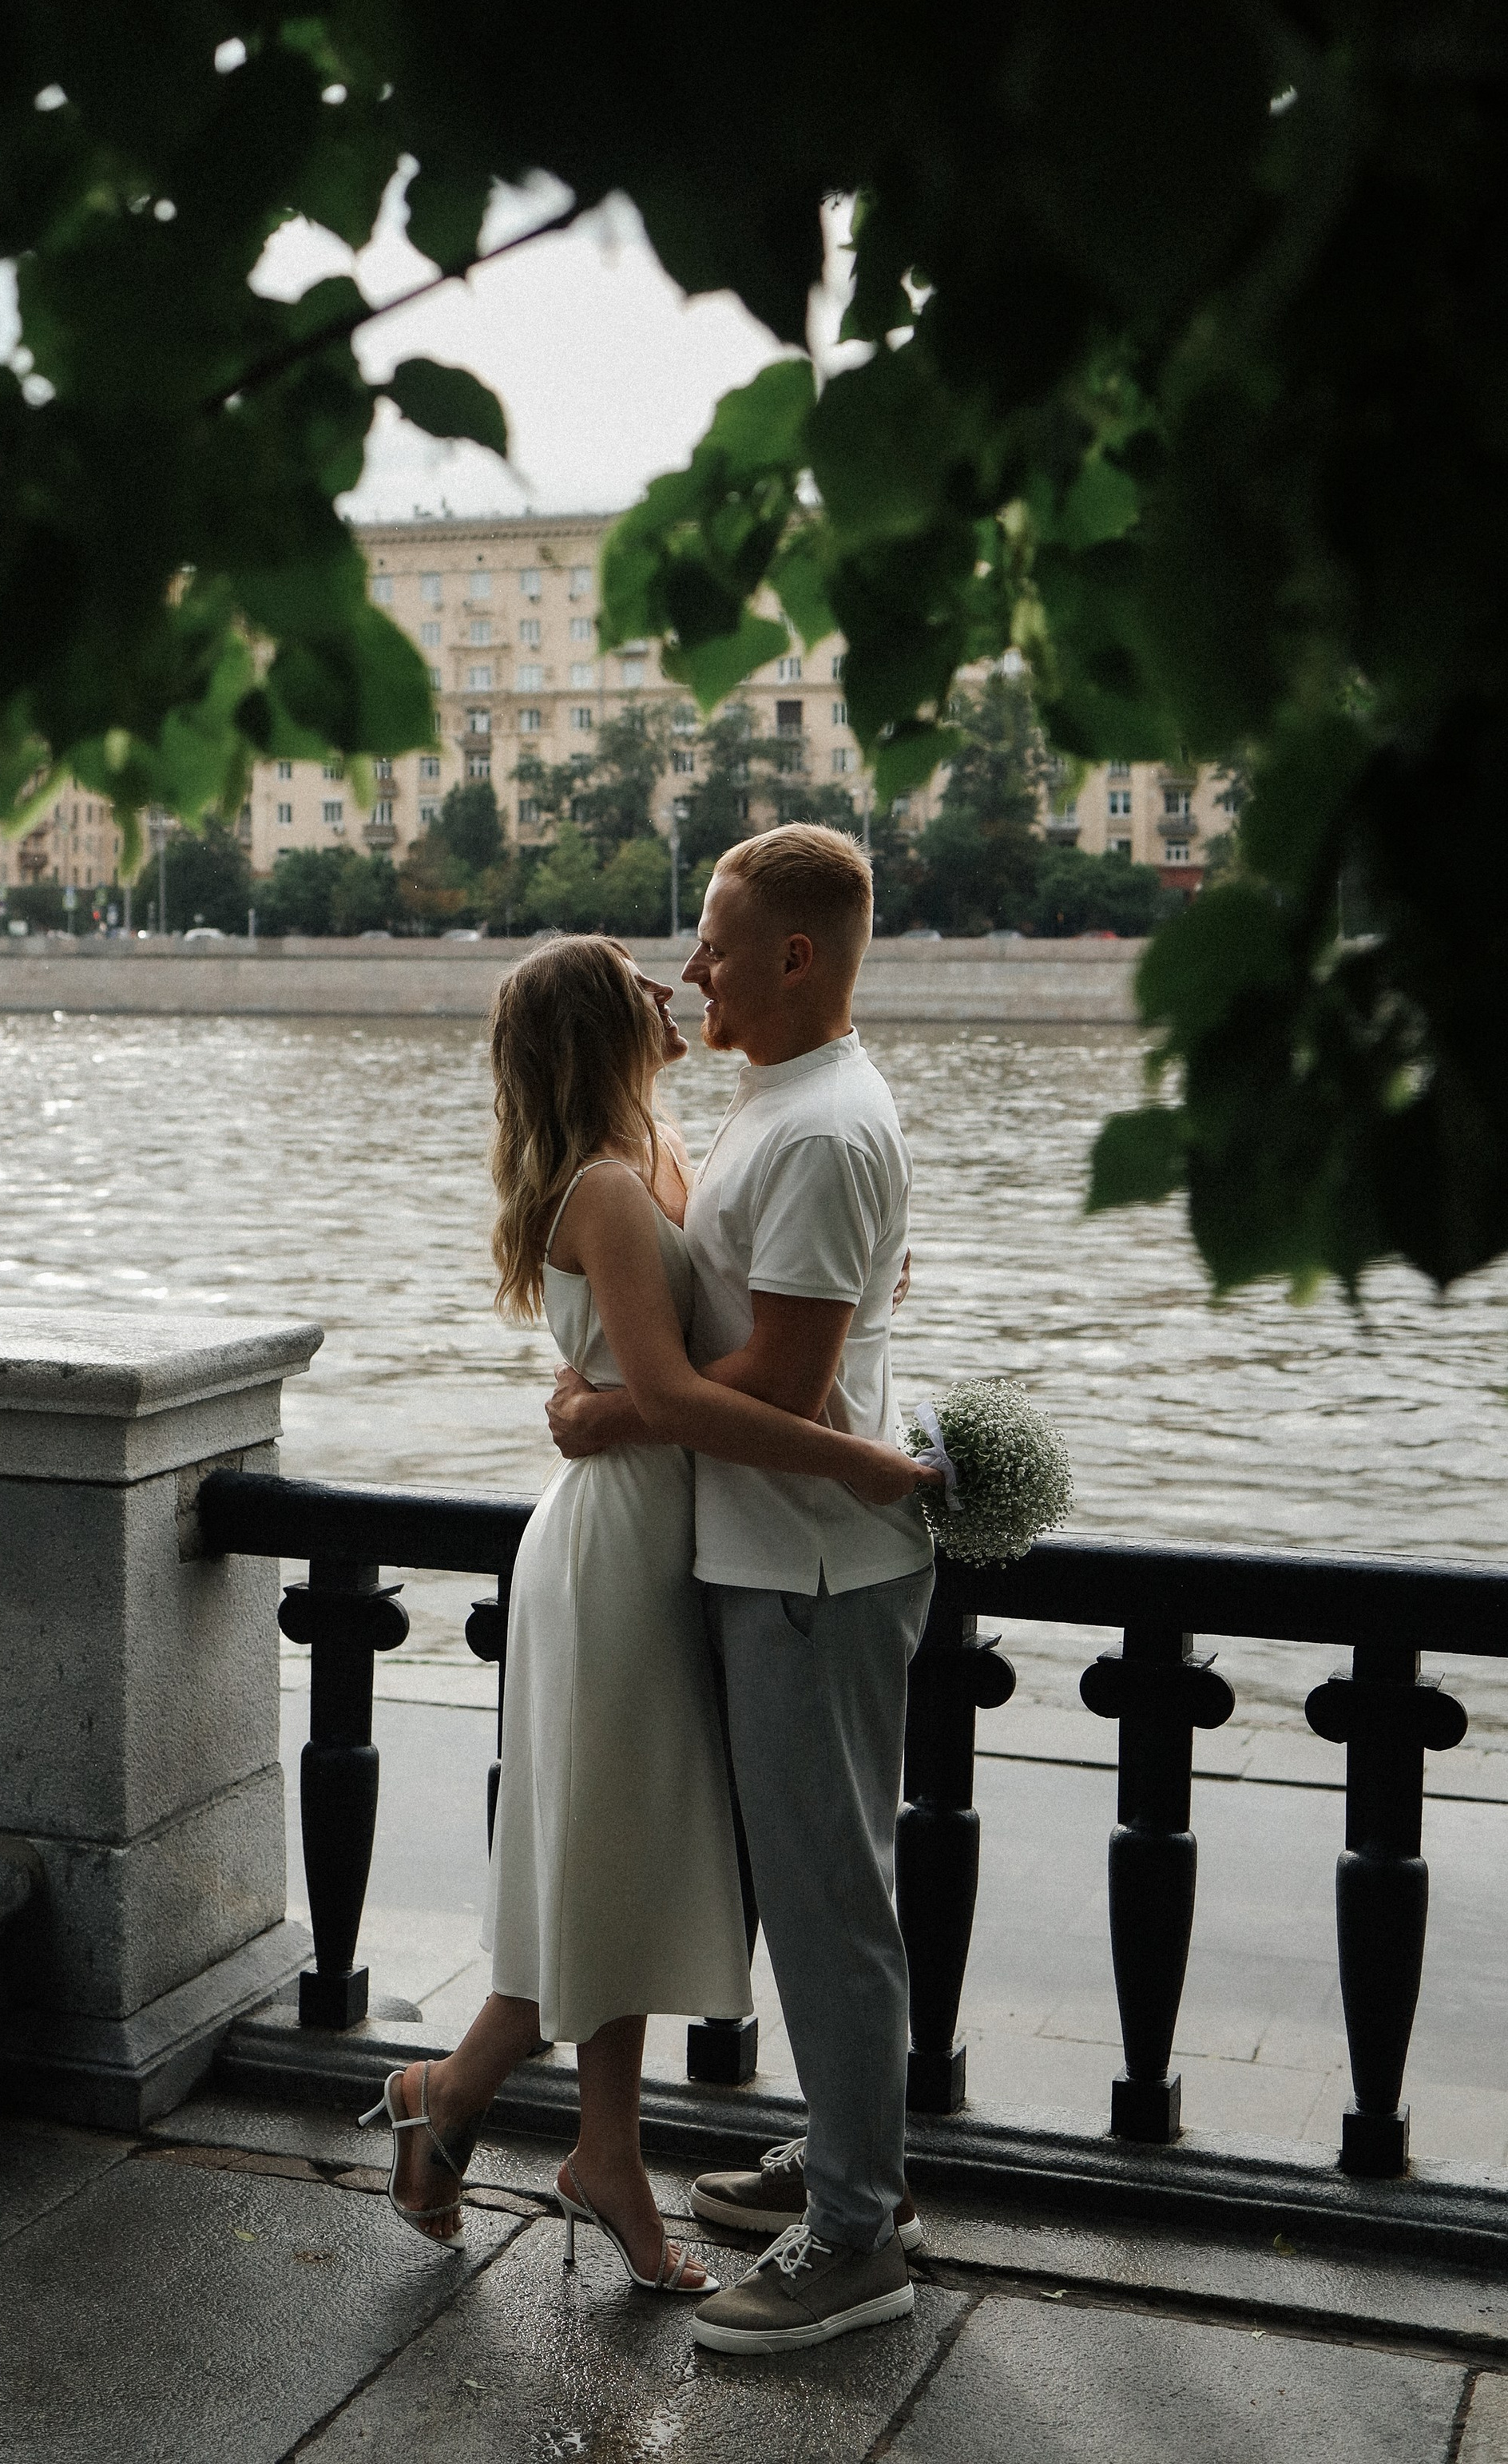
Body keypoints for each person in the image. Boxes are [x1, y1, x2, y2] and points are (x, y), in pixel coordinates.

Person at [362, 931, 923, 2297]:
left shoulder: (675, 1144)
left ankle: (574, 2141)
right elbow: (667, 1395)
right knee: (600, 1864)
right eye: (638, 980)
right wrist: (865, 1465)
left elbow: (755, 1310)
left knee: (611, 1861)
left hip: (669, 1530)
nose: (673, 983)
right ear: (597, 1030)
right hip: (622, 1546)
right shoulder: (610, 1190)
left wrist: (852, 1300)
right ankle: (456, 2097)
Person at [547, 823, 934, 2356]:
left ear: (794, 955)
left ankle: (856, 2231)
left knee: (831, 1899)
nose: (691, 965)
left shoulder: (823, 1126)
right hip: (773, 1553)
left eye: (712, 940)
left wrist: (612, 1408)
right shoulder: (786, 1109)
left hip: (811, 1563)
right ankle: (845, 2159)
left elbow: (782, 1371)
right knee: (814, 1880)